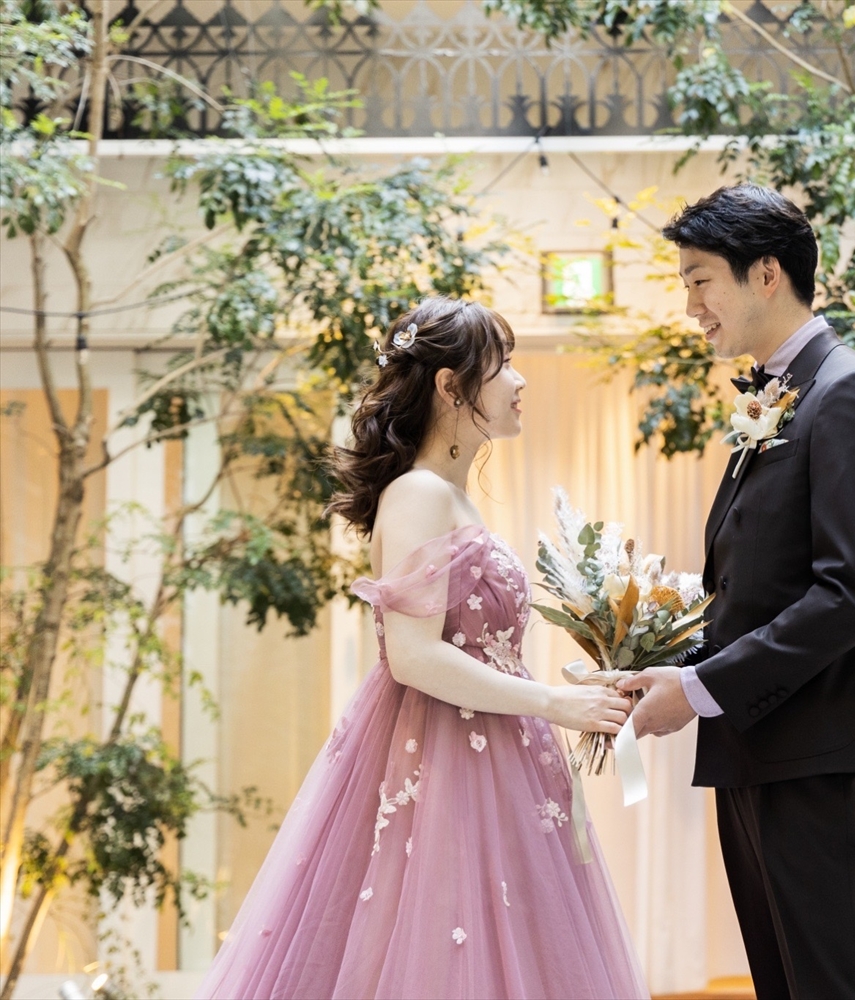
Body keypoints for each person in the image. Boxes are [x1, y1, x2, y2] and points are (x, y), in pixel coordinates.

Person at [196, 297, 646, 1000]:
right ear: (450, 385)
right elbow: (413, 656)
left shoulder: (451, 497)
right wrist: (553, 703)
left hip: (497, 752)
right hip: (442, 758)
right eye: (502, 365)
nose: (520, 381)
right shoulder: (418, 494)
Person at [622, 184, 855, 1000]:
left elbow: (851, 592)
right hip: (760, 747)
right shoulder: (782, 393)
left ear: (764, 274)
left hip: (817, 755)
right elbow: (756, 587)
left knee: (831, 988)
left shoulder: (851, 391)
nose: (690, 307)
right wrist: (672, 664)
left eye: (699, 281)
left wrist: (700, 690)